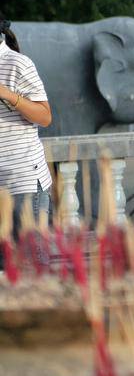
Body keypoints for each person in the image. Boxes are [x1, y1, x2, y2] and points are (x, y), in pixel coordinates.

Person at [0, 12, 53, 238]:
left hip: (23, 185)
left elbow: (45, 116)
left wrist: (7, 95)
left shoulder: (18, 64)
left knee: (33, 267)